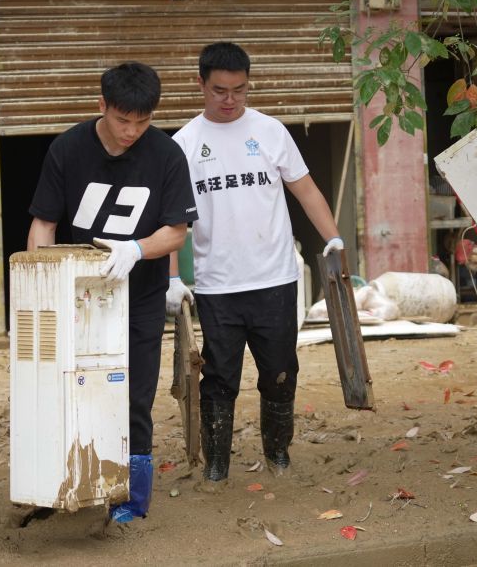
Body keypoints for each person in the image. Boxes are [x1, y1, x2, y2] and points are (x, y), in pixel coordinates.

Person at [26, 61, 197, 523]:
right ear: (101, 105)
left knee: (134, 396)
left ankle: (130, 500)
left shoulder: (166, 154)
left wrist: (137, 250)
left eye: (143, 122)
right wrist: (43, 291)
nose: (132, 131)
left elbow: (177, 231)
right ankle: (61, 486)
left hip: (137, 298)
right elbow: (44, 222)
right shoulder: (68, 148)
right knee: (66, 389)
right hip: (76, 298)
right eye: (123, 120)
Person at [167, 42, 343, 487]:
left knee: (280, 373)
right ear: (201, 85)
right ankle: (217, 462)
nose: (230, 101)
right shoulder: (184, 144)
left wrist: (334, 238)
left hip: (276, 279)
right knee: (219, 378)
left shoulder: (269, 131)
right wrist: (172, 279)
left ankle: (278, 452)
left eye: (240, 90)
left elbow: (305, 190)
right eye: (220, 91)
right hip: (217, 285)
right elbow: (172, 221)